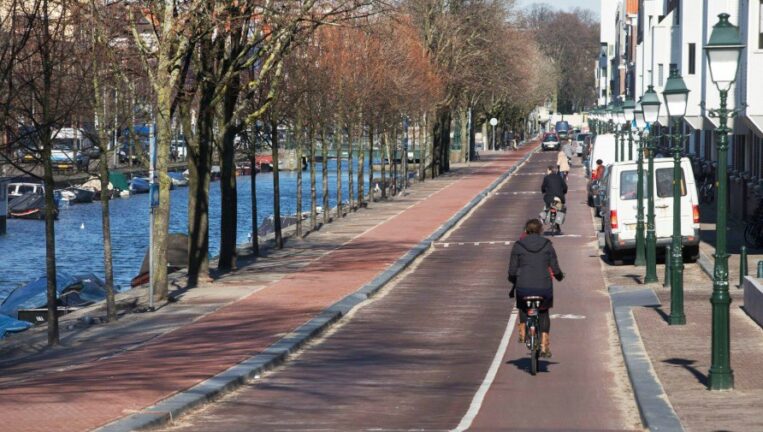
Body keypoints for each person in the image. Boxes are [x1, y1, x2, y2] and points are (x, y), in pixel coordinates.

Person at [508, 218, 564, 357]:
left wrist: (513, 280)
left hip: (524, 286)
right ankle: (544, 344)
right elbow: (555, 268)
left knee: (522, 305)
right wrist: (559, 276)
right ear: (540, 230)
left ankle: (522, 329)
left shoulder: (518, 245)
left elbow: (512, 271)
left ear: (526, 231)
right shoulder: (547, 244)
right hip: (543, 286)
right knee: (544, 312)